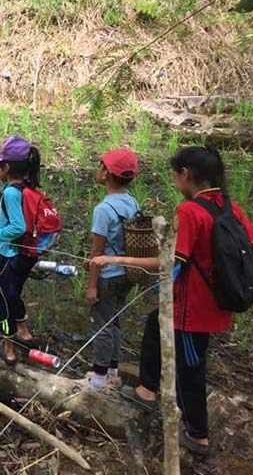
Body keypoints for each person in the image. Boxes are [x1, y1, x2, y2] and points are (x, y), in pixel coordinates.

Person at [91, 145, 253, 455]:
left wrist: (114, 258)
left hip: (192, 307)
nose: (175, 180)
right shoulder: (228, 206)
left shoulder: (189, 211)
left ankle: (197, 434)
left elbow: (169, 262)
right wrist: (222, 267)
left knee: (191, 367)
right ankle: (147, 389)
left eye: (176, 175)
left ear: (186, 175)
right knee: (152, 325)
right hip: (206, 301)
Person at [81, 148, 141, 390]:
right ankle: (112, 371)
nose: (98, 168)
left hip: (107, 275)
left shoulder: (103, 210)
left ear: (106, 173)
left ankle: (97, 379)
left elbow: (97, 252)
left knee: (102, 326)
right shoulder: (132, 202)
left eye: (101, 165)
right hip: (127, 272)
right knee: (115, 321)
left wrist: (92, 285)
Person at [0, 136, 41, 364]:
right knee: (13, 293)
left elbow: (17, 226)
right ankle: (23, 330)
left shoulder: (11, 194)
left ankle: (9, 345)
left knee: (2, 301)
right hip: (23, 254)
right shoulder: (25, 188)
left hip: (9, 254)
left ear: (6, 168)